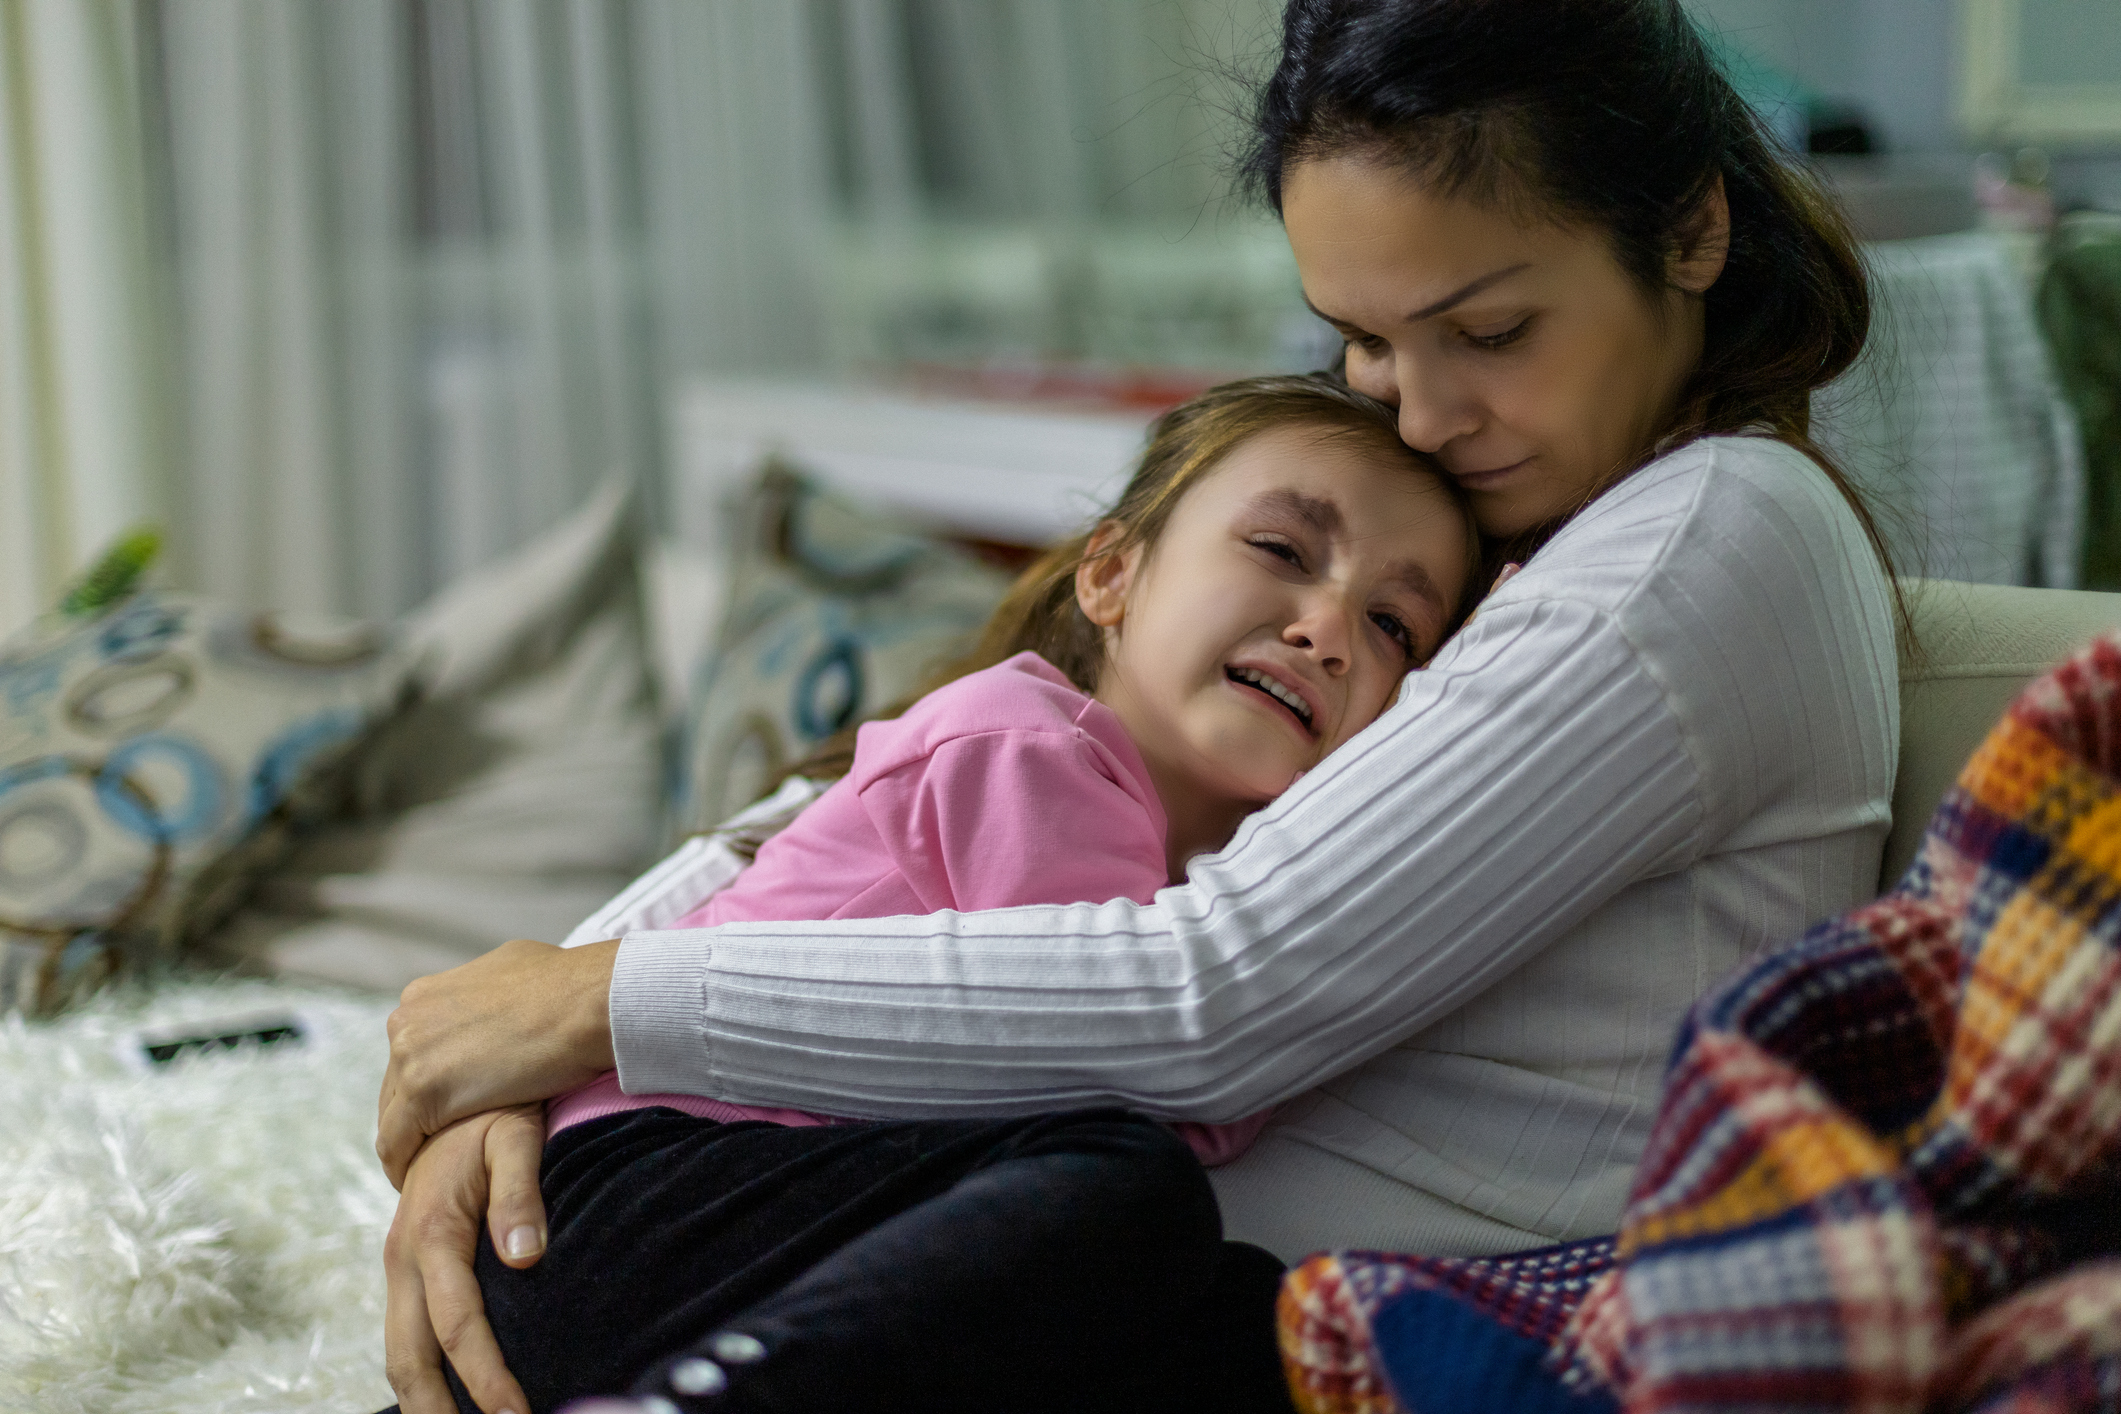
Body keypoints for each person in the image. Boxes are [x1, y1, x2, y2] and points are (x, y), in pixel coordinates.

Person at [375, 1, 1902, 1409]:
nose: (1422, 413)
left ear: (1691, 228)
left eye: (1490, 332)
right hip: (1003, 1252)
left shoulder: (1711, 531)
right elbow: (849, 813)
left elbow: (1214, 992)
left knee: (1116, 1184)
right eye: (1364, 340)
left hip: (1254, 1295)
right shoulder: (1503, 520)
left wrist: (602, 1008)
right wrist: (558, 1041)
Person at [378, 375, 1479, 1414]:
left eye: (1395, 626)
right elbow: (1150, 1066)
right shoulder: (1031, 746)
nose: (1327, 629)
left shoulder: (1192, 871)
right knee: (1130, 1186)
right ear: (1112, 575)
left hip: (742, 1249)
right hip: (619, 1208)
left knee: (1245, 1317)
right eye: (1282, 549)